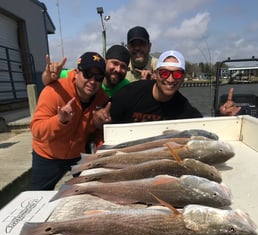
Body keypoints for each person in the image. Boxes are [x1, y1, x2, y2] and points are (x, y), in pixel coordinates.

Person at [31, 51, 111, 190]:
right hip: (48, 155)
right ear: (76, 72)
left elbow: (99, 132)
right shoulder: (53, 91)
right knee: (37, 196)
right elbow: (36, 130)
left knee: (90, 190)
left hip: (78, 155)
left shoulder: (102, 99)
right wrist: (59, 121)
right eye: (87, 74)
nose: (92, 81)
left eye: (98, 77)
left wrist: (100, 144)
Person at [110, 49, 240, 123]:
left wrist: (221, 115)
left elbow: (203, 127)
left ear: (183, 78)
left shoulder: (184, 108)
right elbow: (106, 121)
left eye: (177, 74)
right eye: (165, 73)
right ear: (156, 74)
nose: (170, 79)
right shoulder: (128, 94)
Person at [41, 45, 131, 97]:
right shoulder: (80, 75)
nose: (118, 69)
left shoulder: (127, 87)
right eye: (114, 63)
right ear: (105, 61)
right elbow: (47, 80)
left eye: (123, 66)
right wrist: (49, 75)